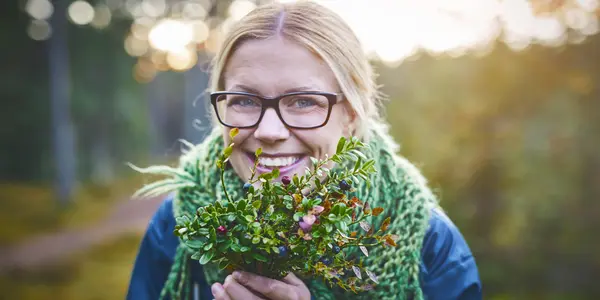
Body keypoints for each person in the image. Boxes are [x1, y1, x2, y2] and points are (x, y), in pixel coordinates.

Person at [127, 1, 482, 300]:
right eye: (245, 100)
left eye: (302, 101)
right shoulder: (180, 224)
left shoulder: (429, 243)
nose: (269, 131)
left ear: (351, 113)